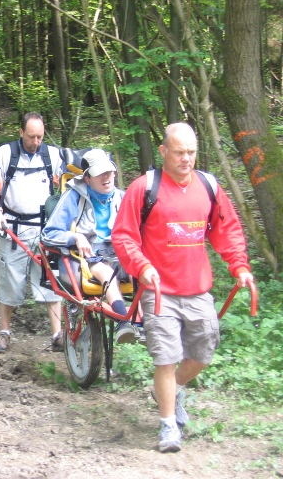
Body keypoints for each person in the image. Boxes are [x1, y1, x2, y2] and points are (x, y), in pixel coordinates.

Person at [111, 122, 253, 453]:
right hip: (159, 291)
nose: (186, 158)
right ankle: (168, 426)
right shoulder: (145, 187)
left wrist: (240, 265)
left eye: (191, 152)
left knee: (203, 353)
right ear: (163, 152)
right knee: (166, 357)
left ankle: (170, 391)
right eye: (179, 152)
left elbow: (226, 230)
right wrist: (142, 266)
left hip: (197, 289)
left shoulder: (209, 187)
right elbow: (124, 235)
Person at [0, 112, 64, 353]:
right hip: (12, 229)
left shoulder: (52, 155)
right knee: (9, 283)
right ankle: (4, 333)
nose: (36, 142)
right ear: (21, 132)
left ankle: (57, 334)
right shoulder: (5, 154)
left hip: (46, 230)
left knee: (50, 280)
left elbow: (70, 184)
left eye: (40, 137)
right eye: (31, 136)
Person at [41, 148, 137, 344]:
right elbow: (48, 234)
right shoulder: (73, 197)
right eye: (99, 174)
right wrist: (75, 237)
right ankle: (123, 321)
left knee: (139, 270)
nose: (106, 177)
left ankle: (143, 323)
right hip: (89, 253)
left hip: (119, 250)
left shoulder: (123, 198)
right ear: (87, 179)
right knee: (106, 271)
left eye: (109, 172)